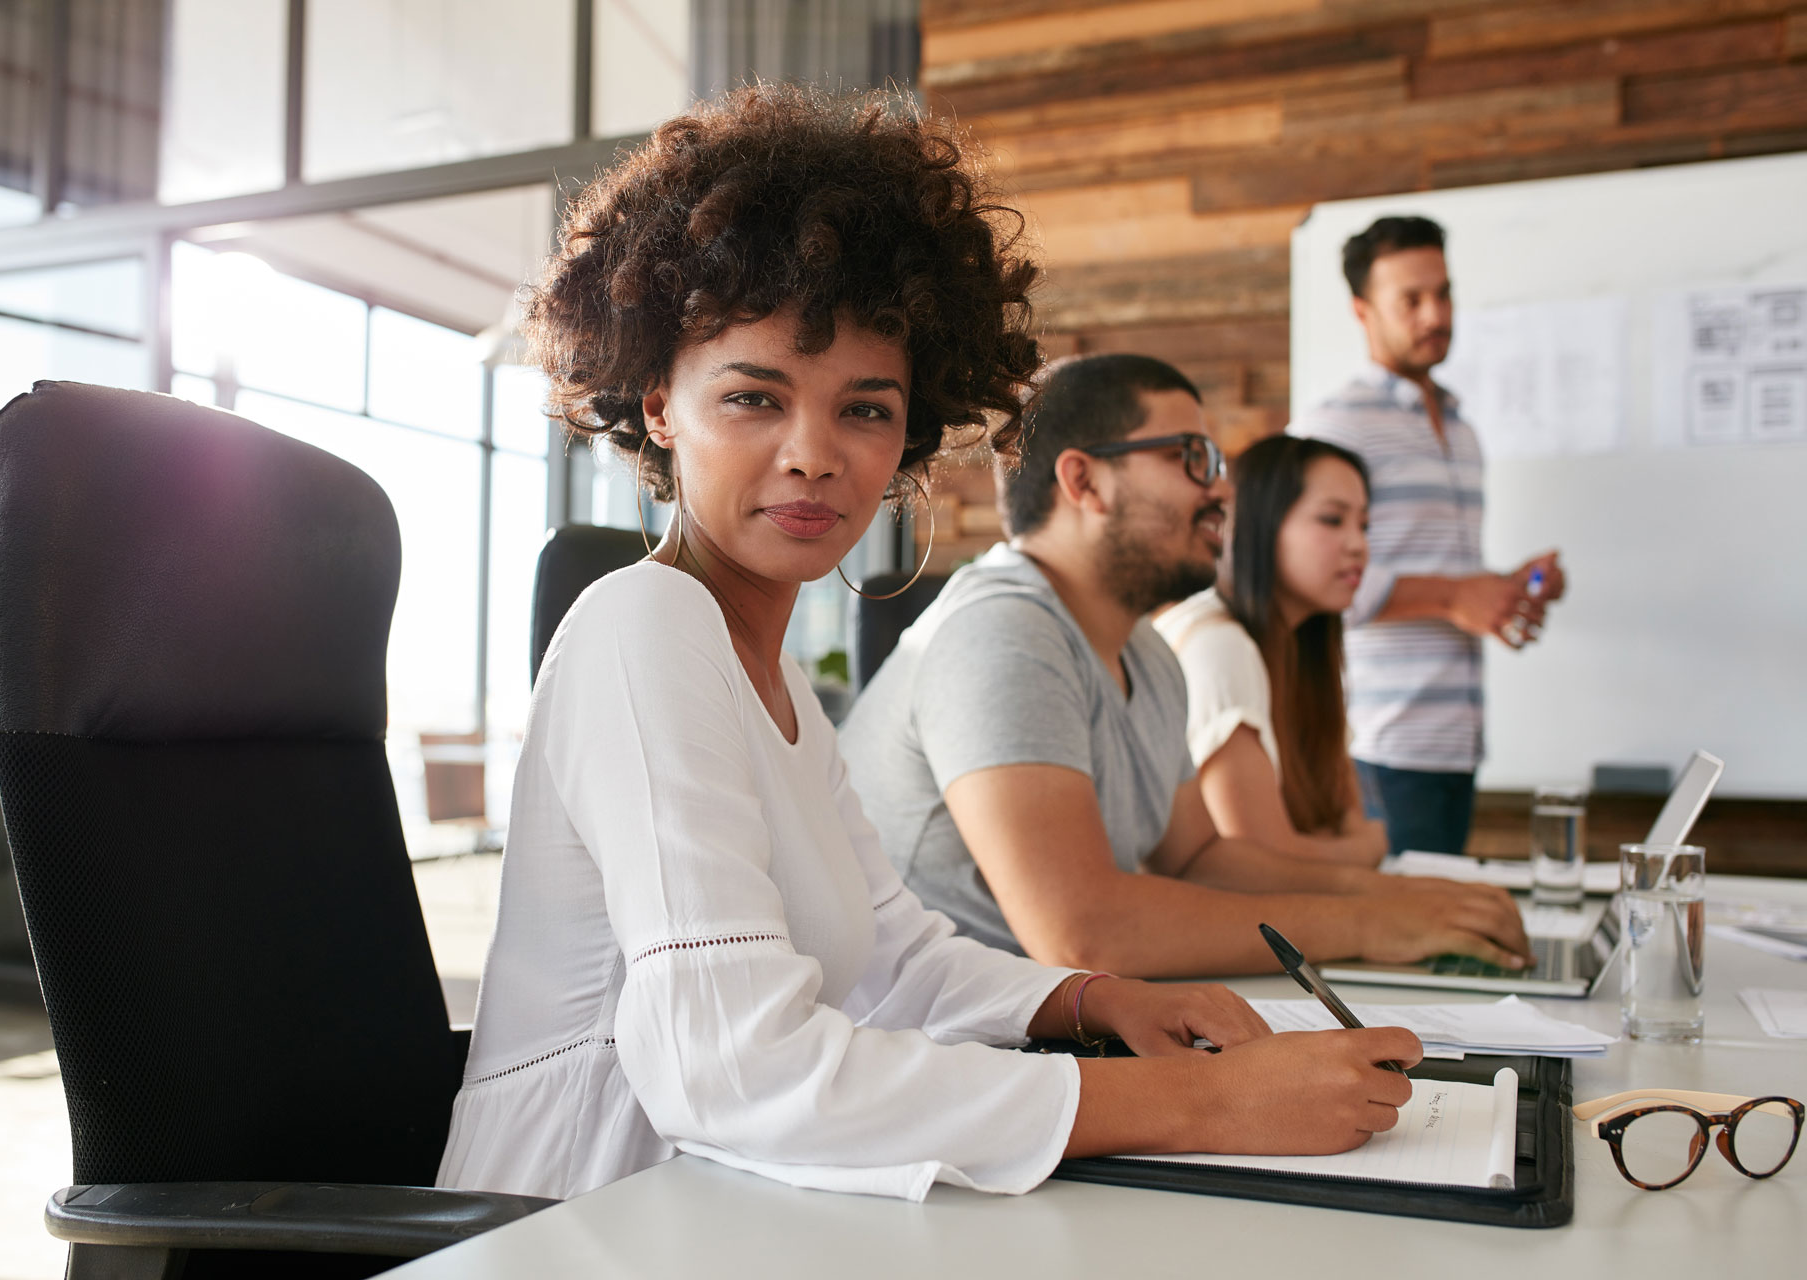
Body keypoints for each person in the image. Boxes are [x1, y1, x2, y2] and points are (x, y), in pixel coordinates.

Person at [437, 86, 1422, 1206]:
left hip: (727, 1201)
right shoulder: (641, 626)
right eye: (755, 396)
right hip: (577, 1216)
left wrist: (1092, 1000)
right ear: (660, 403)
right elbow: (731, 1065)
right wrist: (1206, 1102)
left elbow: (893, 955)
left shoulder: (780, 680)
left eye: (864, 409)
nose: (814, 453)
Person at [838, 353, 1532, 980]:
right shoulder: (1000, 632)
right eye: (1192, 458)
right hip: (937, 1059)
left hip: (1040, 1034)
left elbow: (1200, 860)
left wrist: (1402, 896)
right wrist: (1369, 924)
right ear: (1085, 481)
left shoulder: (1147, 652)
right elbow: (1083, 933)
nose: (1225, 493)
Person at [1289, 216, 1567, 856]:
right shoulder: (1335, 426)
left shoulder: (1463, 428)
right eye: (1410, 299)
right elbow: (1305, 580)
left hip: (1459, 743)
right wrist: (1450, 598)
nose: (1434, 314)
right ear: (1363, 312)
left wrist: (1511, 586)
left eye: (1443, 293)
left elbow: (1441, 573)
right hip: (1381, 748)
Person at [1157, 434, 1388, 867]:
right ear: (1260, 524)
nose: (1359, 545)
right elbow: (1262, 861)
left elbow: (1342, 816)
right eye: (1332, 520)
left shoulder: (1303, 643)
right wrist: (1368, 848)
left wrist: (1354, 844)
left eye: (1364, 525)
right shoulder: (1218, 643)